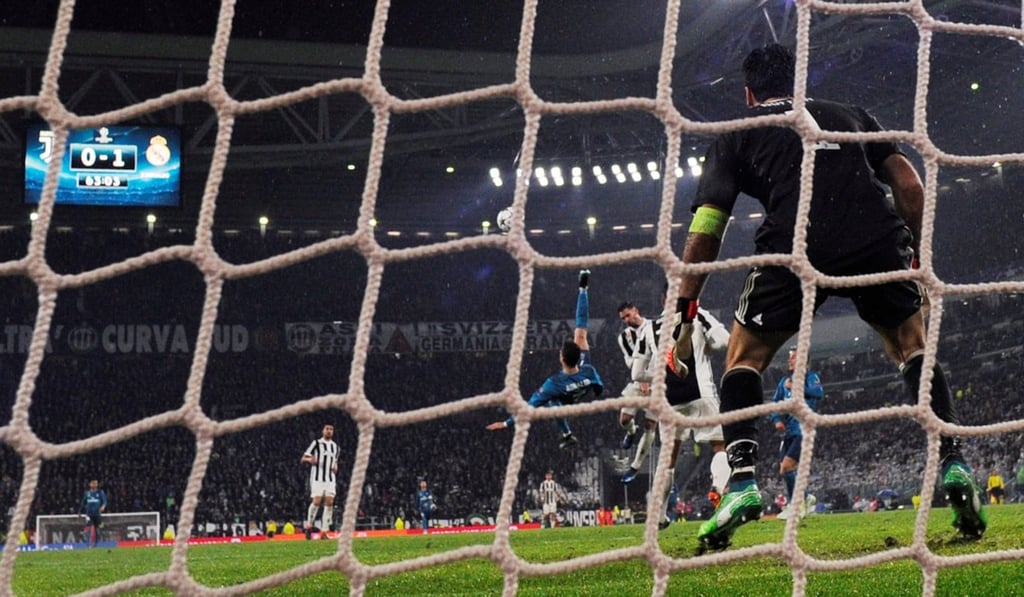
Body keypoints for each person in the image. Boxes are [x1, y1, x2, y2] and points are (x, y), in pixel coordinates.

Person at [669, 43, 986, 551]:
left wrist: (684, 309)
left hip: (795, 245)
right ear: (797, 84)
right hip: (873, 237)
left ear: (750, 93)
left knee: (744, 358)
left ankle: (743, 484)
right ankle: (953, 463)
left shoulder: (738, 133)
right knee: (910, 343)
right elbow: (908, 182)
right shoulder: (850, 115)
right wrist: (920, 261)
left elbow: (709, 224)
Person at [624, 284, 731, 531]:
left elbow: (637, 372)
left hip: (669, 400)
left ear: (663, 300)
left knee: (669, 458)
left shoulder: (648, 328)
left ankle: (660, 516)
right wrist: (709, 346)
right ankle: (717, 488)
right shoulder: (697, 314)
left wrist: (661, 372)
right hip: (701, 393)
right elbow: (724, 341)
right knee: (719, 445)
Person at [487, 270, 605, 449]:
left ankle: (567, 434)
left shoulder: (553, 384)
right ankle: (583, 290)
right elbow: (599, 387)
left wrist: (506, 423)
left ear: (562, 358)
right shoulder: (589, 369)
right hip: (582, 386)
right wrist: (596, 390)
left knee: (551, 401)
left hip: (566, 401)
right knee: (580, 333)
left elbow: (530, 406)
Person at [770, 346, 824, 520]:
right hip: (789, 432)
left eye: (793, 357)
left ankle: (796, 505)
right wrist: (777, 420)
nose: (789, 360)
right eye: (790, 357)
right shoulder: (783, 382)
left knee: (787, 467)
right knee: (784, 470)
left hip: (803, 430)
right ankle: (805, 498)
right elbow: (775, 404)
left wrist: (796, 388)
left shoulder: (810, 377)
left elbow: (818, 393)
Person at [615, 301, 659, 476]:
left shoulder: (654, 327)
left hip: (657, 384)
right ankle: (632, 431)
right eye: (623, 318)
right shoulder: (624, 337)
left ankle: (635, 466)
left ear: (635, 310)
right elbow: (630, 361)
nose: (626, 320)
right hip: (637, 381)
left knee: (650, 425)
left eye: (627, 315)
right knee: (624, 420)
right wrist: (642, 378)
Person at [300, 423, 340, 540]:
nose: (329, 431)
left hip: (330, 478)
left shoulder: (336, 447)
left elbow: (335, 461)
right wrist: (310, 460)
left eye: (331, 429)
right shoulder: (316, 443)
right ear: (323, 431)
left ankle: (324, 531)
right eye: (327, 429)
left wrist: (335, 466)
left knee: (329, 502)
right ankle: (309, 526)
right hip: (317, 478)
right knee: (317, 501)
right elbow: (303, 458)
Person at [79, 479, 107, 548]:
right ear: (90, 484)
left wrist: (103, 506)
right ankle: (88, 545)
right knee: (89, 527)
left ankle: (95, 545)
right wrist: (79, 511)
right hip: (89, 514)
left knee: (97, 529)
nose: (94, 484)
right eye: (93, 483)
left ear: (97, 484)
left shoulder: (100, 492)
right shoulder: (87, 493)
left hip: (97, 514)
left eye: (96, 483)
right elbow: (83, 503)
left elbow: (105, 501)